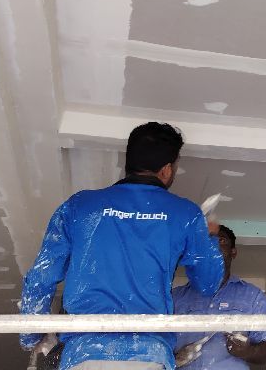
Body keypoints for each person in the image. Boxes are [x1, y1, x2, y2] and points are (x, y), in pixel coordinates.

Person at [20, 122, 225, 370]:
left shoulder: (80, 206)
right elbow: (208, 283)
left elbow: (41, 276)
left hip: (84, 352)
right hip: (148, 354)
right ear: (166, 170)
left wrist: (31, 335)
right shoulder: (186, 214)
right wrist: (209, 236)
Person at [172, 225, 266, 370]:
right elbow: (157, 344)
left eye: (221, 240)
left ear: (233, 252)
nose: (214, 246)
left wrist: (248, 351)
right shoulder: (175, 297)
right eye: (207, 242)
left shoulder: (252, 297)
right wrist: (174, 360)